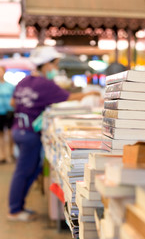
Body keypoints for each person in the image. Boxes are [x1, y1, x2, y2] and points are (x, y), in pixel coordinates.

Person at [8, 46, 100, 222]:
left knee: (32, 170)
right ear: (47, 65)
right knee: (24, 171)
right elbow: (70, 98)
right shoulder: (45, 84)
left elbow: (13, 102)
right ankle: (14, 210)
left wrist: (30, 108)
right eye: (55, 64)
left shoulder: (24, 81)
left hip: (18, 129)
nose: (56, 69)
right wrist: (90, 93)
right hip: (29, 134)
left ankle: (18, 206)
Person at [0, 66, 15, 163]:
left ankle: (10, 153)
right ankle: (2, 155)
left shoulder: (10, 86)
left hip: (9, 112)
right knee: (0, 134)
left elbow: (14, 99)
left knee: (10, 133)